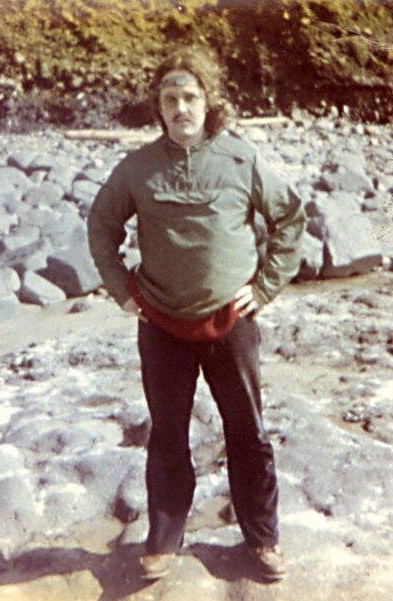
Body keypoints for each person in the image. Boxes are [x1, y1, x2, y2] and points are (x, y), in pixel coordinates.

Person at [87, 46, 306, 582]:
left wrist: (266, 287)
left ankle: (263, 539)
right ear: (158, 107)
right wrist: (121, 291)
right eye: (170, 100)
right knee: (167, 434)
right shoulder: (137, 168)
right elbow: (101, 227)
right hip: (161, 323)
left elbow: (289, 216)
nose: (181, 108)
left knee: (248, 432)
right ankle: (163, 540)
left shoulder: (241, 159)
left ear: (209, 103)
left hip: (231, 322)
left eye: (190, 97)